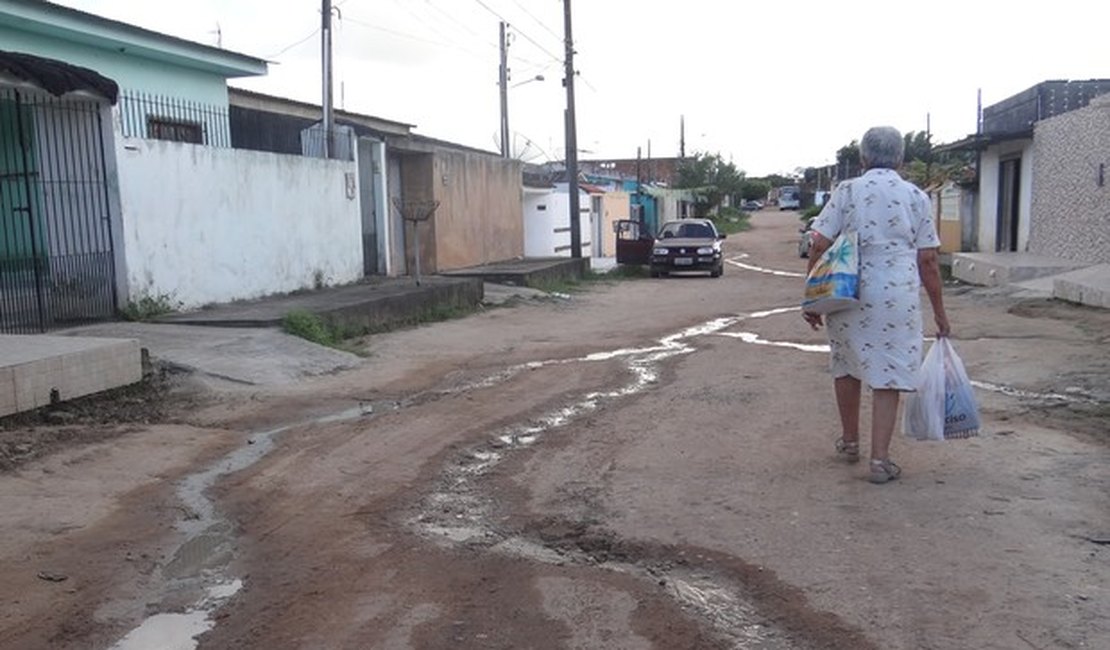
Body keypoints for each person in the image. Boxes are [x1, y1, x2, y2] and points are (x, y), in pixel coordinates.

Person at [803, 126, 950, 484]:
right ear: (900, 158)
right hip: (896, 293)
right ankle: (880, 461)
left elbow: (818, 242)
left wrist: (812, 294)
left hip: (847, 288)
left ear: (863, 158)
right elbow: (928, 260)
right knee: (889, 372)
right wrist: (941, 315)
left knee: (847, 363)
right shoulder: (916, 197)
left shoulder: (847, 191)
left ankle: (850, 441)